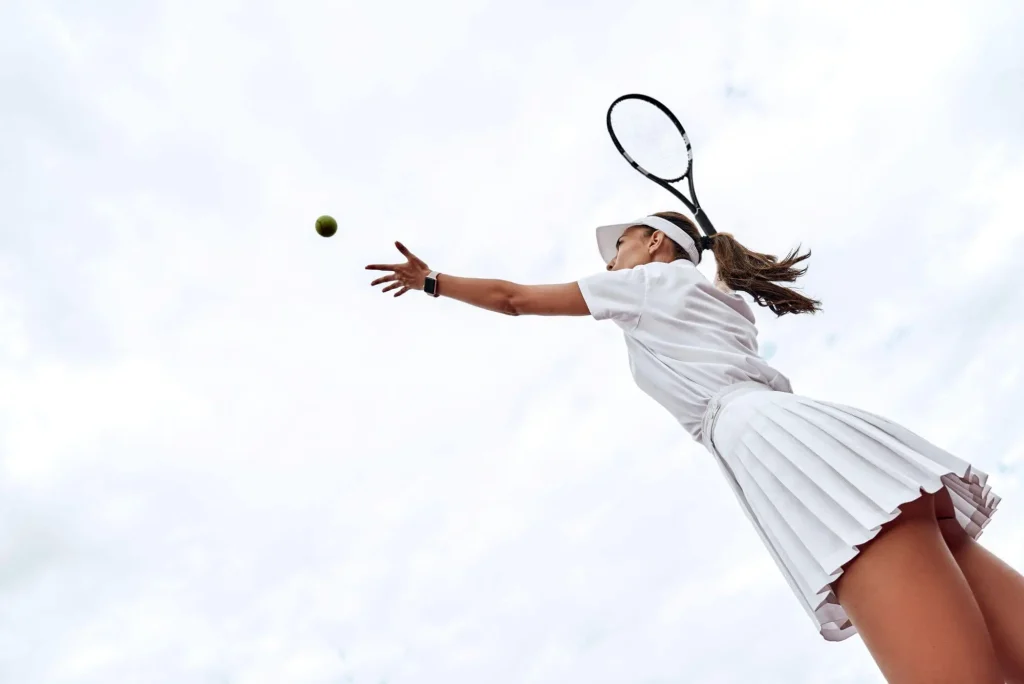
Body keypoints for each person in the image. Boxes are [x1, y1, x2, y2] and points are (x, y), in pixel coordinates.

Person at [365, 211, 1023, 683]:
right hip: (824, 445)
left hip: (785, 451)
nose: (608, 262)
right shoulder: (715, 295)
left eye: (617, 245)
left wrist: (433, 281)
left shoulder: (651, 284)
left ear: (654, 244)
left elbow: (514, 299)